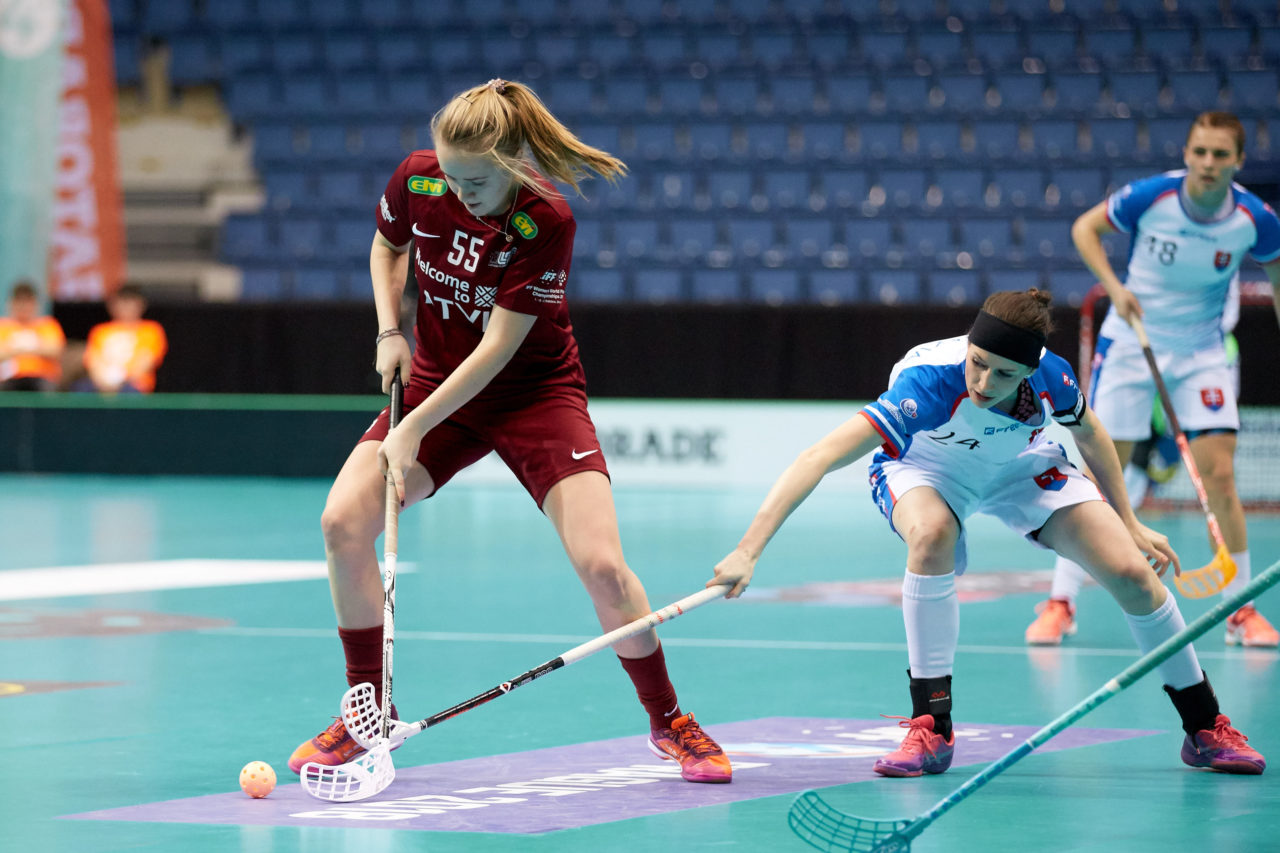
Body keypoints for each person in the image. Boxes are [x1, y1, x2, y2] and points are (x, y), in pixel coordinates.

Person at [287, 79, 731, 784]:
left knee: (605, 568)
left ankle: (668, 718)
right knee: (342, 521)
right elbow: (385, 246)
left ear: (514, 163)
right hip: (436, 381)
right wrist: (389, 329)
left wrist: (411, 431)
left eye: (477, 181)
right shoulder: (419, 178)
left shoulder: (545, 218)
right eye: (451, 175)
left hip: (535, 395)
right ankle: (367, 714)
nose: (460, 192)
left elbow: (498, 347)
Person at [709, 288, 1264, 778]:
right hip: (927, 470)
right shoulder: (929, 384)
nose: (983, 382)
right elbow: (818, 456)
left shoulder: (1052, 375)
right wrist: (746, 550)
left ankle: (1205, 727)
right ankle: (933, 726)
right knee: (930, 537)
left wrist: (1129, 519)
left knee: (1132, 576)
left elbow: (1090, 432)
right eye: (978, 363)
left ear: (1028, 370)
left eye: (1003, 374)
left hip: (1020, 469)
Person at [1026, 112, 1280, 648]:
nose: (1207, 163)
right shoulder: (1151, 197)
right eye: (1199, 152)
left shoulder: (1254, 219)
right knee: (1098, 471)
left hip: (1202, 353)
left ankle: (1241, 611)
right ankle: (1061, 601)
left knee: (1221, 475)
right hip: (1130, 343)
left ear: (1237, 161)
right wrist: (1114, 288)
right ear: (1187, 154)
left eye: (1219, 155)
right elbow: (1084, 229)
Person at [79, 285, 168, 393]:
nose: (125, 307)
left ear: (140, 304)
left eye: (130, 302)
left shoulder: (151, 330)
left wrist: (119, 380)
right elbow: (93, 361)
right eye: (121, 302)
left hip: (134, 386)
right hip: (100, 385)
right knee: (81, 390)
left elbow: (145, 362)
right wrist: (104, 381)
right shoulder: (100, 331)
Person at [0, 281, 65, 391]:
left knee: (46, 389)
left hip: (42, 378)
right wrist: (33, 347)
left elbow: (55, 350)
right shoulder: (3, 326)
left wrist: (17, 348)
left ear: (35, 303)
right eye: (19, 301)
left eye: (27, 301)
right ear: (11, 303)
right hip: (9, 379)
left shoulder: (47, 325)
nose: (23, 306)